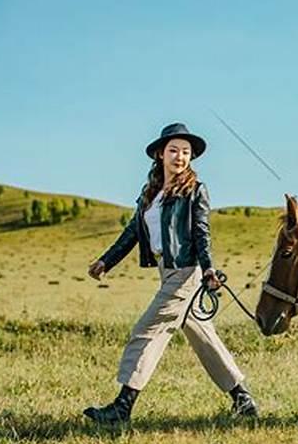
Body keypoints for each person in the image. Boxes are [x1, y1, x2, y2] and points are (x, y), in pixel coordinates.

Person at [84, 122, 257, 424]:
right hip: (167, 271)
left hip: (186, 271)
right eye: (174, 150)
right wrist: (106, 261)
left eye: (186, 152)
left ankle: (122, 406)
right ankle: (242, 398)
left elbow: (201, 233)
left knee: (147, 330)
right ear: (160, 155)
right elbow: (133, 233)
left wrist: (208, 270)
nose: (180, 157)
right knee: (203, 336)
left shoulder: (195, 191)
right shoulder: (150, 194)